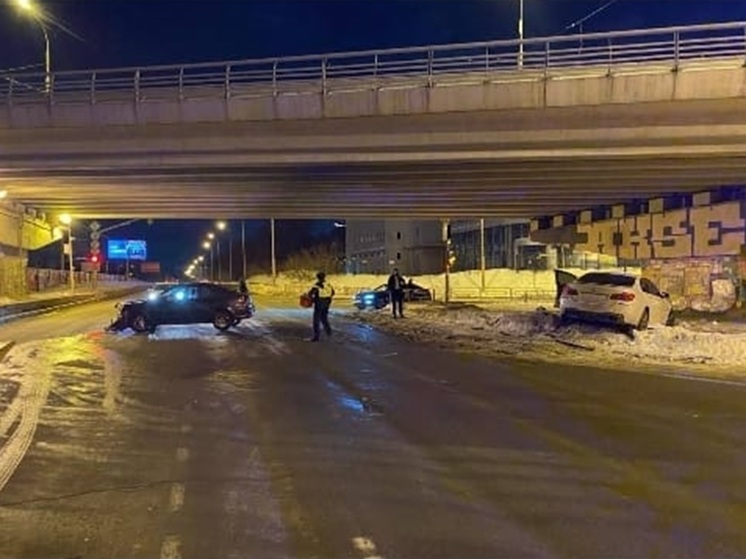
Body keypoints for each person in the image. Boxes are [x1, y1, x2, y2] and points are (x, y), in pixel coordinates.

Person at [308, 271, 335, 341]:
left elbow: (310, 293)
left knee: (316, 320)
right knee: (324, 318)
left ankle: (316, 337)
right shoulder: (328, 284)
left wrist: (312, 298)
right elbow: (333, 293)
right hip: (327, 302)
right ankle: (329, 332)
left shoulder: (317, 285)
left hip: (319, 302)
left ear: (318, 277)